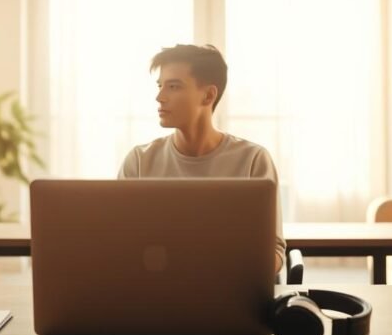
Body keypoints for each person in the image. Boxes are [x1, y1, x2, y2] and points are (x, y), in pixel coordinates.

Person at [118, 44, 286, 273]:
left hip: (228, 295)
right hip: (155, 296)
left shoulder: (253, 160)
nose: (160, 97)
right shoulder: (139, 161)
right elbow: (119, 246)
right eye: (160, 86)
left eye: (173, 86)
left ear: (208, 95)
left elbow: (274, 252)